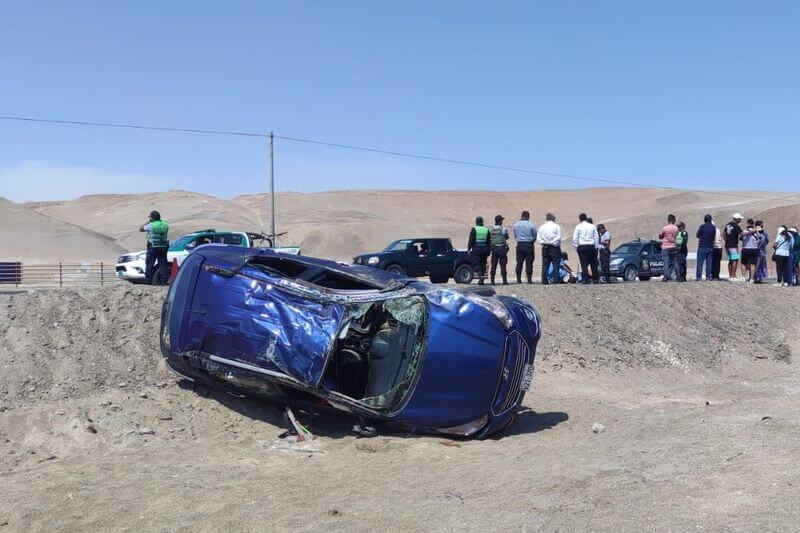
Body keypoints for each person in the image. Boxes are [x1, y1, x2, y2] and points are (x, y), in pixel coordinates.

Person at [139, 210, 170, 285]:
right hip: (163, 246)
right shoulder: (166, 225)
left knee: (149, 264)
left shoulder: (151, 225)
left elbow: (141, 229)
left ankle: (148, 282)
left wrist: (149, 222)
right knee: (163, 264)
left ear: (152, 218)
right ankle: (164, 282)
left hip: (153, 246)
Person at [572, 213, 599, 284]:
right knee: (593, 263)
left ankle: (586, 279)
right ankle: (595, 279)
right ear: (586, 218)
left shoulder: (578, 226)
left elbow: (575, 238)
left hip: (582, 246)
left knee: (583, 264)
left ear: (580, 219)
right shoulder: (592, 226)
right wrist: (596, 247)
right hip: (591, 245)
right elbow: (596, 237)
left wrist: (576, 247)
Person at [537, 213, 562, 285]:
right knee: (556, 264)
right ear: (553, 218)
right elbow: (558, 237)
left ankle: (544, 281)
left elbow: (538, 237)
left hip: (545, 247)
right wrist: (552, 242)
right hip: (554, 247)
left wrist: (543, 242)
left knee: (545, 265)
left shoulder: (541, 227)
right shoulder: (557, 226)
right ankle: (556, 281)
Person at [513, 211, 537, 284]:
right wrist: (531, 241)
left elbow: (515, 235)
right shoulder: (531, 225)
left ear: (522, 216)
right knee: (529, 263)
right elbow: (535, 235)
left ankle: (518, 280)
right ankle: (529, 280)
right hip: (529, 244)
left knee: (519, 262)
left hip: (520, 244)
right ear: (528, 216)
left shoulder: (516, 225)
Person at [467, 216, 491, 285]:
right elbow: (489, 241)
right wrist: (489, 251)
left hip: (477, 249)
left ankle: (480, 276)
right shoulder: (486, 230)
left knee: (476, 263)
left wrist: (469, 249)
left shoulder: (474, 229)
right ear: (482, 222)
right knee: (483, 264)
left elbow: (471, 240)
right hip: (485, 249)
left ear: (476, 222)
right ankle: (482, 280)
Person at [489, 214, 510, 285]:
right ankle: (504, 281)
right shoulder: (503, 229)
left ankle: (492, 281)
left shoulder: (492, 229)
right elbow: (507, 237)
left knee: (493, 265)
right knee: (503, 265)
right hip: (501, 248)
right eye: (501, 220)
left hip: (494, 248)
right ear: (500, 221)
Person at [658, 214, 679, 281]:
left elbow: (660, 236)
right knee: (675, 262)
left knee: (666, 263)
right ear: (673, 220)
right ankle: (678, 276)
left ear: (668, 220)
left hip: (666, 247)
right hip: (673, 246)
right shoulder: (676, 228)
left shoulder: (664, 228)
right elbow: (676, 236)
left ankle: (665, 277)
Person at [695, 214, 715, 281]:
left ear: (704, 219)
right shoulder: (713, 227)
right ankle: (708, 277)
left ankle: (699, 277)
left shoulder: (702, 226)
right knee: (709, 263)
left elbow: (697, 235)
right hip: (710, 247)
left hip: (702, 246)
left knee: (700, 263)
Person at [724, 214, 744, 279]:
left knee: (730, 260)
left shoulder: (728, 225)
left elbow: (723, 233)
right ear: (737, 219)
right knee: (735, 259)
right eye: (740, 219)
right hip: (733, 246)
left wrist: (726, 240)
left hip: (727, 245)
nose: (740, 220)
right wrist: (751, 232)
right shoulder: (736, 226)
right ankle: (733, 275)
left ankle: (730, 275)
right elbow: (742, 233)